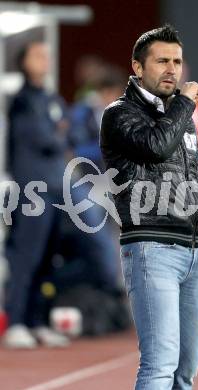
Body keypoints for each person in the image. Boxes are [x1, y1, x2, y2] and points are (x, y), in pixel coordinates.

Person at [100, 25, 198, 389]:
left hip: (196, 249)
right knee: (159, 366)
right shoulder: (119, 114)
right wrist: (184, 103)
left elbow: (197, 173)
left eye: (177, 61)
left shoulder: (179, 115)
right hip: (153, 247)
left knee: (185, 370)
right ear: (137, 67)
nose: (172, 69)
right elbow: (155, 146)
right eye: (162, 61)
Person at [2, 41, 70, 348]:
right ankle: (16, 321)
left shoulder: (51, 98)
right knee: (25, 257)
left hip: (57, 187)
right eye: (38, 55)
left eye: (47, 54)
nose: (45, 60)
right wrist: (59, 132)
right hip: (31, 190)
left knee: (48, 260)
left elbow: (71, 134)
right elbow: (45, 138)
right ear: (24, 62)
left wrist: (59, 132)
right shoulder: (23, 101)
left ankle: (38, 321)